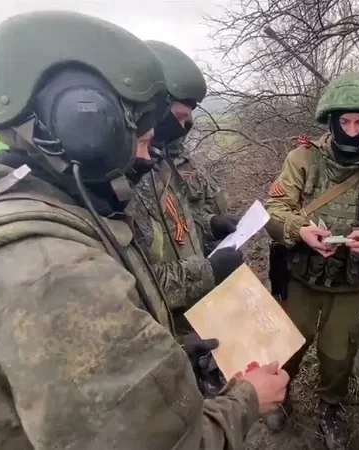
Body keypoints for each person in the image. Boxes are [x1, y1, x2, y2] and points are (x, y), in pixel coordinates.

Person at [0, 11, 288, 449]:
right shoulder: (53, 275)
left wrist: (158, 358)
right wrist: (246, 400)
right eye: (141, 141)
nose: (146, 158)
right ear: (87, 129)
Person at [264, 72, 359, 449]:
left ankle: (330, 406)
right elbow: (274, 210)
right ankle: (278, 393)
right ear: (331, 121)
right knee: (289, 343)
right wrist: (301, 230)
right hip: (301, 275)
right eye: (344, 121)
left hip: (349, 282)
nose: (352, 131)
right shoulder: (302, 159)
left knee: (338, 354)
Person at [127, 40, 240, 396]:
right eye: (177, 117)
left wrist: (210, 226)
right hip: (160, 334)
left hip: (191, 316)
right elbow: (140, 280)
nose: (184, 126)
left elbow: (179, 223)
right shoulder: (123, 180)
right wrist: (208, 271)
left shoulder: (160, 163)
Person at [165, 117, 231, 255]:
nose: (181, 127)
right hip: (187, 262)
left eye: (186, 123)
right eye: (177, 117)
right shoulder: (147, 170)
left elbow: (210, 202)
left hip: (207, 252)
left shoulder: (187, 160)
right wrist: (210, 224)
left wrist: (212, 223)